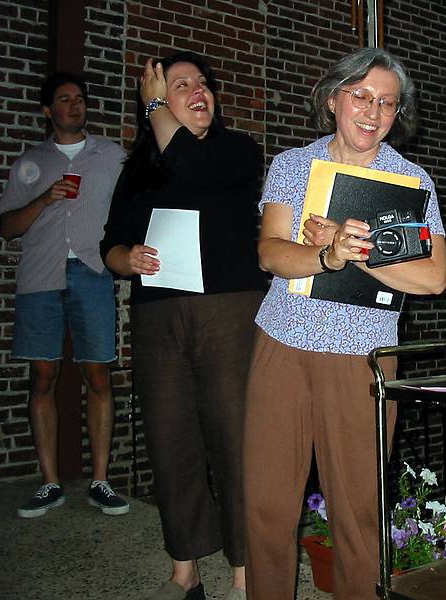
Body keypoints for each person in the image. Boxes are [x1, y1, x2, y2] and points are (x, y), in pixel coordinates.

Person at [243, 48, 446, 600]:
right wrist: (327, 256)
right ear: (334, 98)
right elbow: (271, 254)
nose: (372, 111)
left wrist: (355, 250)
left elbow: (432, 278)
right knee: (266, 503)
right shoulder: (294, 166)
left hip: (363, 356)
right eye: (361, 95)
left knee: (357, 511)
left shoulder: (410, 183)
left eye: (386, 102)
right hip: (282, 342)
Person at [100, 51, 265, 600]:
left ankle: (246, 570)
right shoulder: (139, 168)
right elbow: (110, 244)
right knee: (170, 439)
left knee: (236, 437)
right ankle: (185, 567)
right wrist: (127, 259)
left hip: (228, 310)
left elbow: (192, 166)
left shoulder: (236, 151)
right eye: (179, 85)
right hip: (157, 315)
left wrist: (153, 104)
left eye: (203, 83)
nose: (198, 91)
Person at [0, 72, 129, 519]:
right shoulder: (30, 162)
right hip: (40, 277)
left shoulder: (111, 156)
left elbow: (133, 207)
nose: (74, 106)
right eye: (64, 100)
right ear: (47, 111)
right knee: (43, 376)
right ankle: (50, 482)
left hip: (93, 272)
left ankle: (100, 481)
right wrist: (43, 200)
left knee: (98, 376)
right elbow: (7, 228)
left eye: (79, 99)